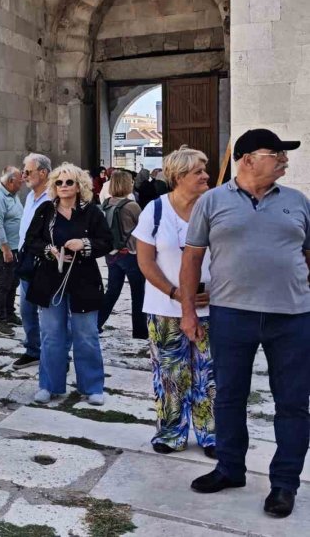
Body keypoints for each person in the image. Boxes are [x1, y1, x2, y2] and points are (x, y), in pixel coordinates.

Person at [183, 129, 310, 519]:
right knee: (229, 396)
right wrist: (188, 311)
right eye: (276, 153)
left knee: (291, 403)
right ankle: (229, 468)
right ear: (247, 158)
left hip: (292, 317)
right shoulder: (212, 201)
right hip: (231, 314)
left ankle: (284, 485)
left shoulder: (298, 201)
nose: (284, 160)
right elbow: (191, 258)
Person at [131, 146, 214, 457]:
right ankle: (171, 433)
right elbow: (146, 262)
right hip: (164, 306)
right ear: (179, 177)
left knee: (209, 372)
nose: (206, 175)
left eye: (205, 170)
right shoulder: (155, 210)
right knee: (169, 372)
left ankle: (211, 434)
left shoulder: (213, 208)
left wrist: (215, 292)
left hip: (209, 305)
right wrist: (175, 292)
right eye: (199, 171)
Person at [24, 163, 112, 406]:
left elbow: (106, 241)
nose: (63, 187)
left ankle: (92, 386)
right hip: (51, 281)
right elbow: (31, 241)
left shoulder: (92, 212)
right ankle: (49, 385)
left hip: (84, 280)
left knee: (87, 335)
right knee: (51, 335)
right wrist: (48, 250)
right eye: (59, 183)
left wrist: (83, 244)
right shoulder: (45, 211)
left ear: (79, 185)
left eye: (69, 182)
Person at [14, 153, 52, 369]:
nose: (24, 175)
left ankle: (55, 352)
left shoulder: (53, 197)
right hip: (26, 259)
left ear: (43, 172)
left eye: (28, 171)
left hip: (44, 261)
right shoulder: (29, 197)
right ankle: (33, 350)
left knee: (48, 312)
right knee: (26, 308)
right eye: (23, 171)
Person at [97, 170, 146, 338]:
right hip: (131, 254)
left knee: (112, 291)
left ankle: (97, 323)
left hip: (112, 254)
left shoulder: (105, 203)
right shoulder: (131, 205)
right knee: (138, 293)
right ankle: (140, 331)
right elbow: (143, 228)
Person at [0, 166, 24, 335]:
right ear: (10, 181)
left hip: (16, 247)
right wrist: (5, 248)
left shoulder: (13, 195)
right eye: (19, 181)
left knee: (13, 282)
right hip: (5, 249)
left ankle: (9, 313)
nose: (22, 183)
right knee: (3, 284)